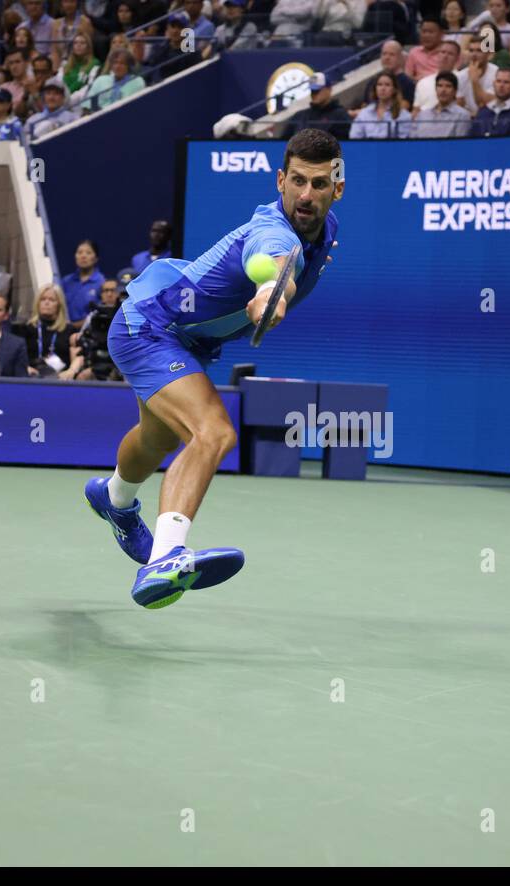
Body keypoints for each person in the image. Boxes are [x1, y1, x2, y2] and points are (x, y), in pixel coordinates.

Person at [85, 129, 342, 610]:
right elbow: (272, 262)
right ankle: (166, 556)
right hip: (149, 325)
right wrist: (272, 291)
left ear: (337, 189)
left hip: (187, 337)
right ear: (280, 181)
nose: (307, 196)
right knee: (215, 432)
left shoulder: (325, 232)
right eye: (299, 182)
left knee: (158, 439)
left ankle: (114, 499)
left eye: (320, 185)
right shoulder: (273, 232)